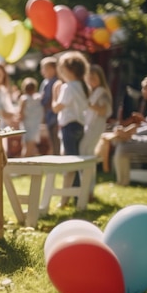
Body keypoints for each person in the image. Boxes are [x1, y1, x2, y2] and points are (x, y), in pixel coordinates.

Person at [52, 51, 90, 206]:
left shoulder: (67, 87)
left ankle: (72, 198)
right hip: (80, 126)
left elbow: (56, 108)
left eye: (61, 69)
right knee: (75, 161)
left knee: (70, 164)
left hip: (69, 127)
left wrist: (55, 93)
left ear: (68, 70)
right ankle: (76, 196)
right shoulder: (83, 86)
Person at [80, 64, 113, 156]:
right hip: (89, 125)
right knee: (85, 150)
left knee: (87, 150)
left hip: (96, 126)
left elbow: (103, 111)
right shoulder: (92, 92)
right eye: (89, 78)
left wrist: (88, 104)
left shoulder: (102, 92)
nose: (91, 80)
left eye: (94, 77)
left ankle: (88, 170)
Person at [39, 56, 61, 155]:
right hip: (48, 116)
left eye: (46, 68)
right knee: (52, 140)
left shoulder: (57, 82)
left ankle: (59, 159)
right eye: (43, 69)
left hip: (56, 116)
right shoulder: (45, 83)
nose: (44, 71)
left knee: (57, 139)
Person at [18, 77, 44, 157]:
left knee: (27, 147)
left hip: (27, 125)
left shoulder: (24, 99)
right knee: (30, 147)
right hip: (34, 125)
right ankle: (24, 166)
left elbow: (21, 113)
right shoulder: (38, 98)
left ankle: (24, 165)